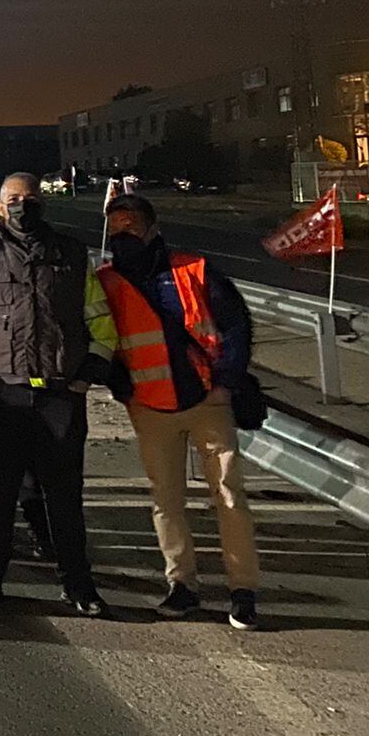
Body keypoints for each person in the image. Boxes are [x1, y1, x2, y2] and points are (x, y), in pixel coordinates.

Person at [0, 174, 117, 616]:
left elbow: (101, 321)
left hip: (60, 396)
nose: (23, 206)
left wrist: (85, 376)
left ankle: (78, 585)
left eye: (31, 198)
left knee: (65, 499)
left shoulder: (73, 255)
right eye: (14, 199)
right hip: (3, 396)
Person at [100, 193, 262, 629]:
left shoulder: (195, 270)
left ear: (152, 228)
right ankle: (182, 585)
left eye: (129, 226)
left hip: (208, 401)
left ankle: (242, 589)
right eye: (115, 229)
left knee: (228, 495)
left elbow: (236, 326)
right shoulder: (107, 282)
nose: (121, 235)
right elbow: (103, 341)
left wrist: (225, 381)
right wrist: (122, 388)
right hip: (150, 406)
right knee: (166, 501)